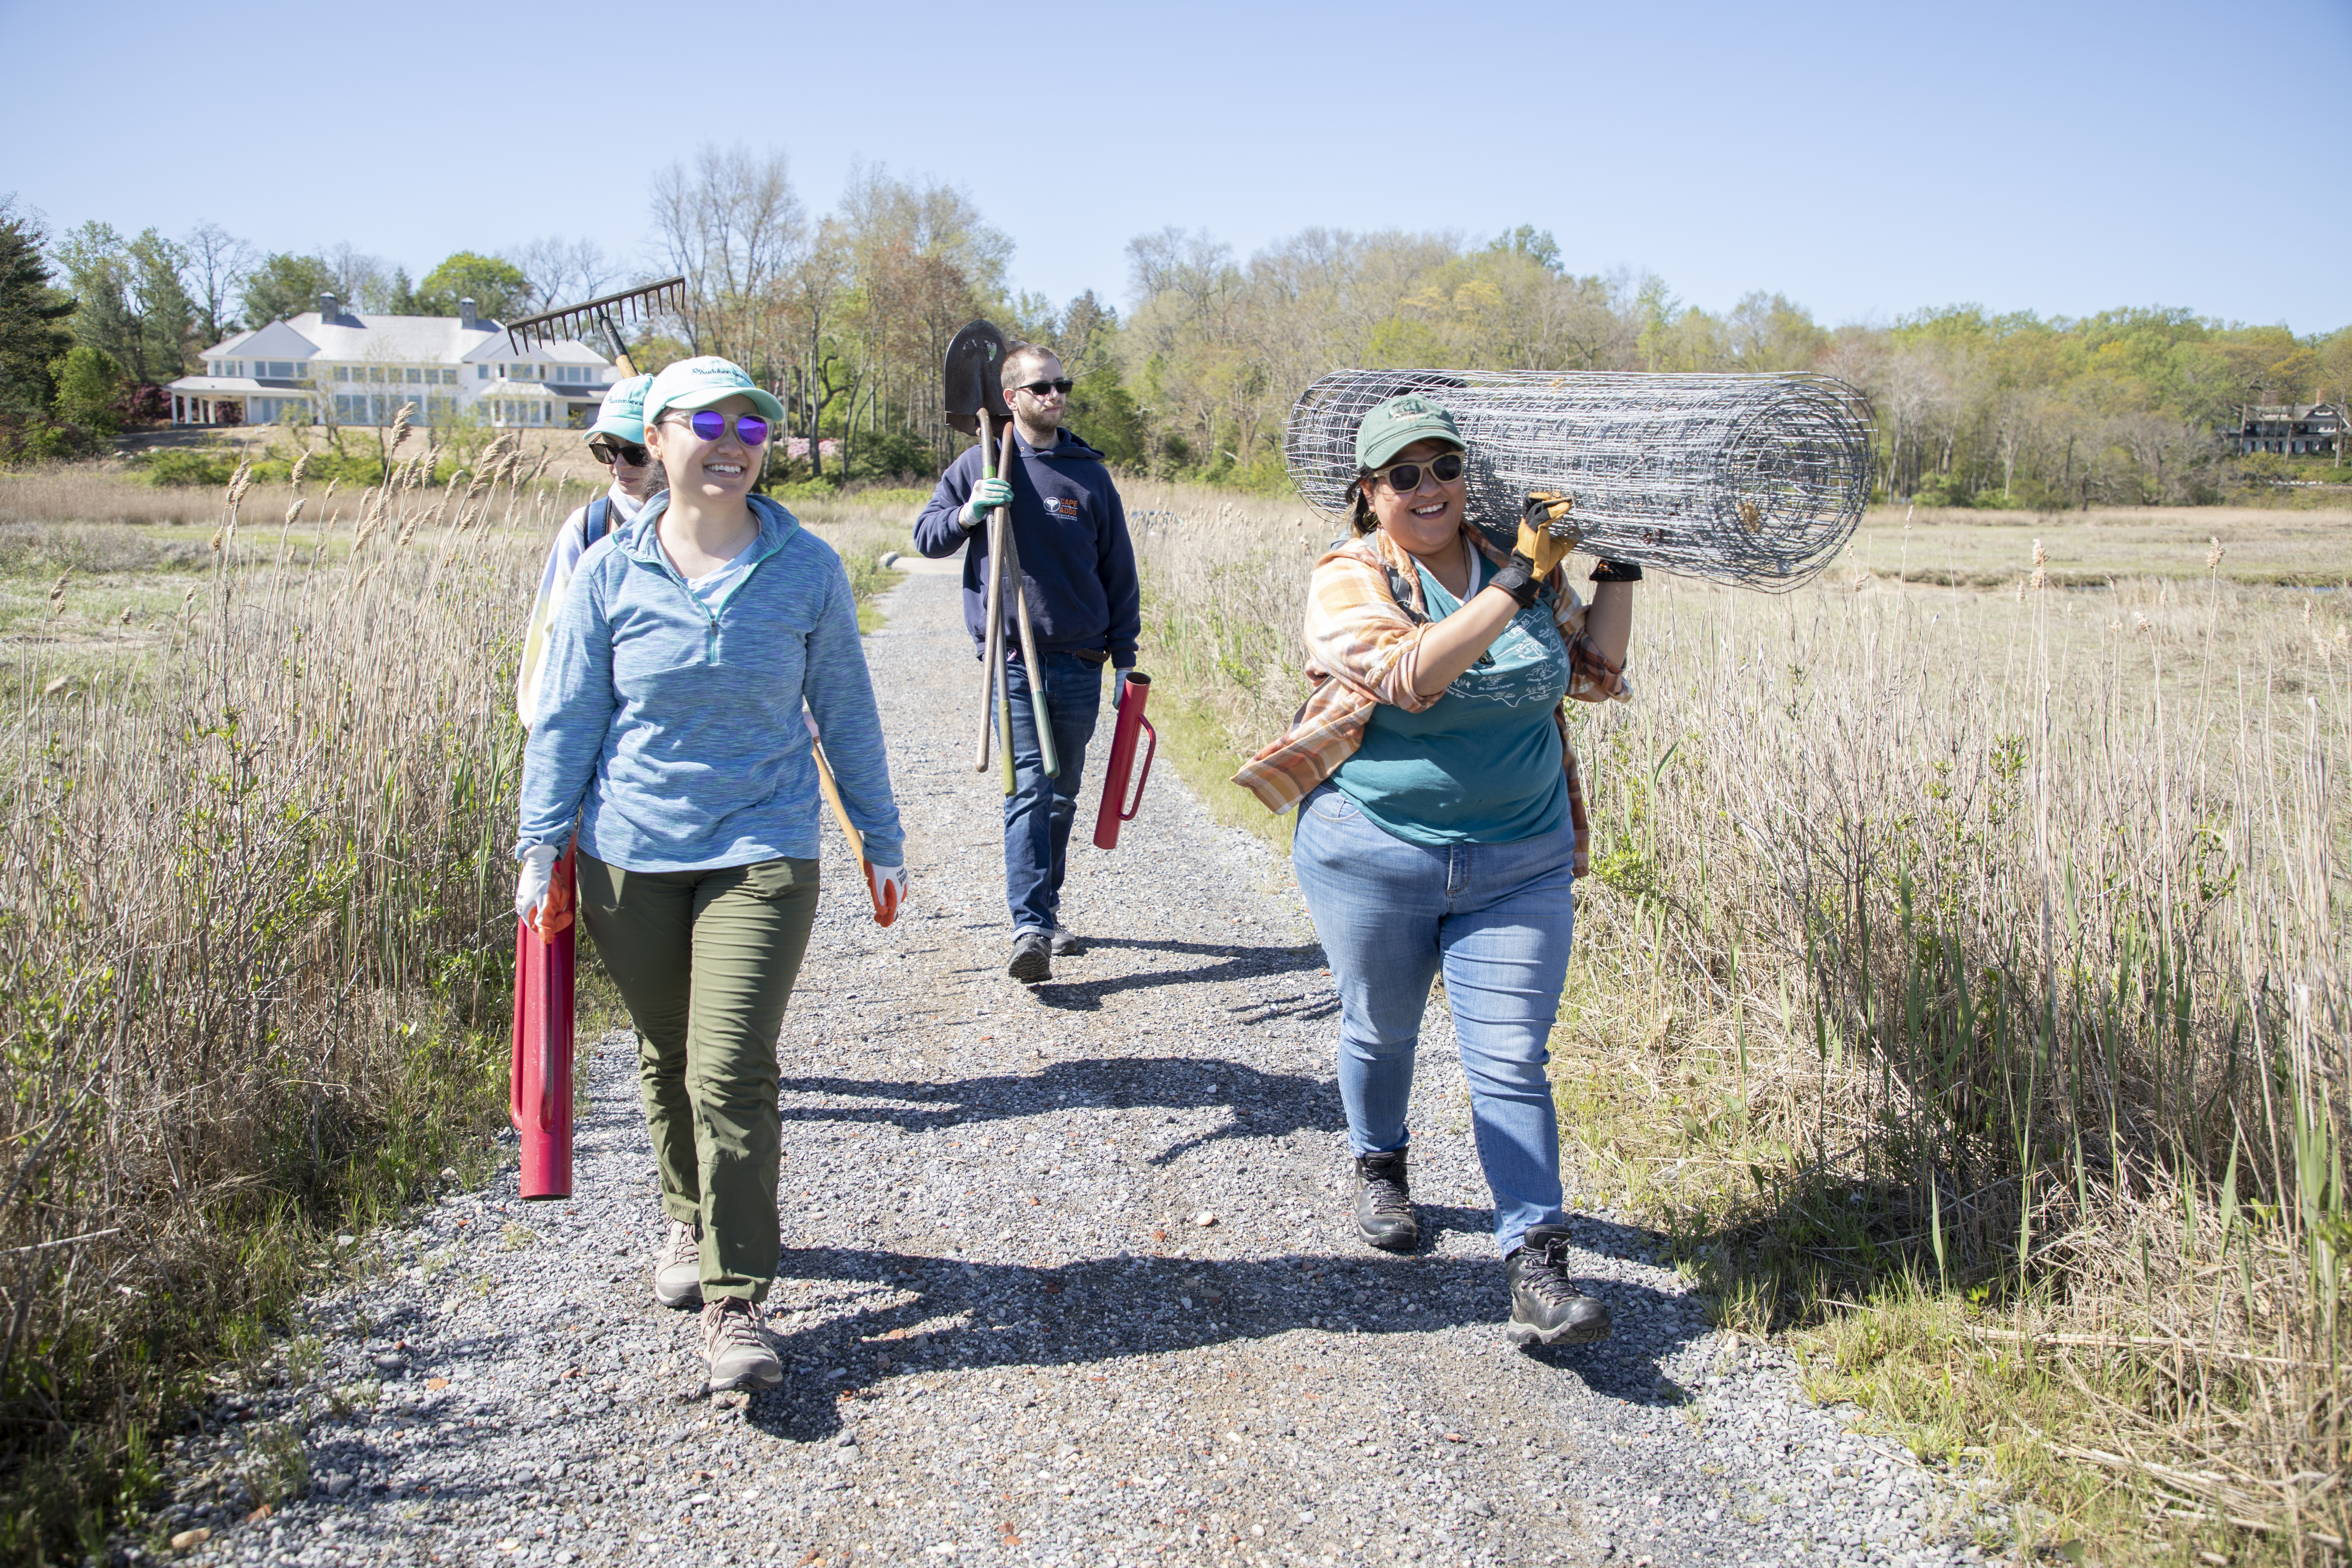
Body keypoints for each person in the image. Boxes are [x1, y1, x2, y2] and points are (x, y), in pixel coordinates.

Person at [514, 356, 909, 1391]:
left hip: (761, 845)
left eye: (753, 426)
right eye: (709, 423)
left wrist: (879, 833)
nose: (733, 442)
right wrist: (538, 841)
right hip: (625, 853)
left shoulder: (807, 567)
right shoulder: (605, 571)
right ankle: (686, 1217)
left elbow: (847, 707)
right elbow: (566, 719)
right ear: (657, 437)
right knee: (667, 1047)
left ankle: (735, 1299)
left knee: (729, 1060)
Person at [1232, 393, 1639, 1348]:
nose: (1429, 489)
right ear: (1368, 494)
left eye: (1444, 468)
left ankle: (1537, 1262)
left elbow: (1597, 671)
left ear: (1467, 477)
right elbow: (1412, 677)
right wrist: (1521, 588)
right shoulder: (1348, 576)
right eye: (1403, 475)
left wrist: (1615, 562)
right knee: (1381, 1029)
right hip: (1375, 851)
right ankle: (1380, 1162)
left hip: (1522, 856)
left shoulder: (1511, 560)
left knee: (1509, 1059)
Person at [912, 345, 1139, 983]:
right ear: (1010, 398)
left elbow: (1118, 573)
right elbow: (927, 538)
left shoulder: (1088, 474)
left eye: (1061, 386)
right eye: (1042, 388)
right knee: (1029, 792)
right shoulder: (979, 463)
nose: (1056, 396)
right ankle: (1029, 928)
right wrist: (970, 512)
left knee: (1061, 796)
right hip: (1014, 660)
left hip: (1081, 659)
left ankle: (1047, 907)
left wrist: (1124, 660)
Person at [517, 372, 660, 724]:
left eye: (635, 453)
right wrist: (545, 727)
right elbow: (551, 633)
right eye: (607, 450)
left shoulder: (716, 528)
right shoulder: (588, 528)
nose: (618, 466)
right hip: (605, 732)